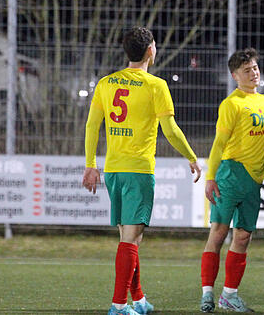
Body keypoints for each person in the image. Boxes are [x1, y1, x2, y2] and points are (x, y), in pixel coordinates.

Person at [82, 26, 201, 315]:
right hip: (138, 171)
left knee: (131, 237)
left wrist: (90, 165)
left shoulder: (106, 83)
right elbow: (170, 130)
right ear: (151, 50)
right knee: (130, 238)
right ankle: (119, 305)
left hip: (113, 170)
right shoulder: (155, 85)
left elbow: (92, 126)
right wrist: (191, 156)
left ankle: (138, 299)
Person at [200, 48, 264, 313]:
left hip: (254, 179)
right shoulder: (231, 104)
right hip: (231, 175)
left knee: (243, 236)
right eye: (247, 70)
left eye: (255, 68)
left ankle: (229, 295)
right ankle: (207, 293)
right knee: (219, 232)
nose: (254, 73)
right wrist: (210, 178)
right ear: (235, 76)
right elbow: (218, 144)